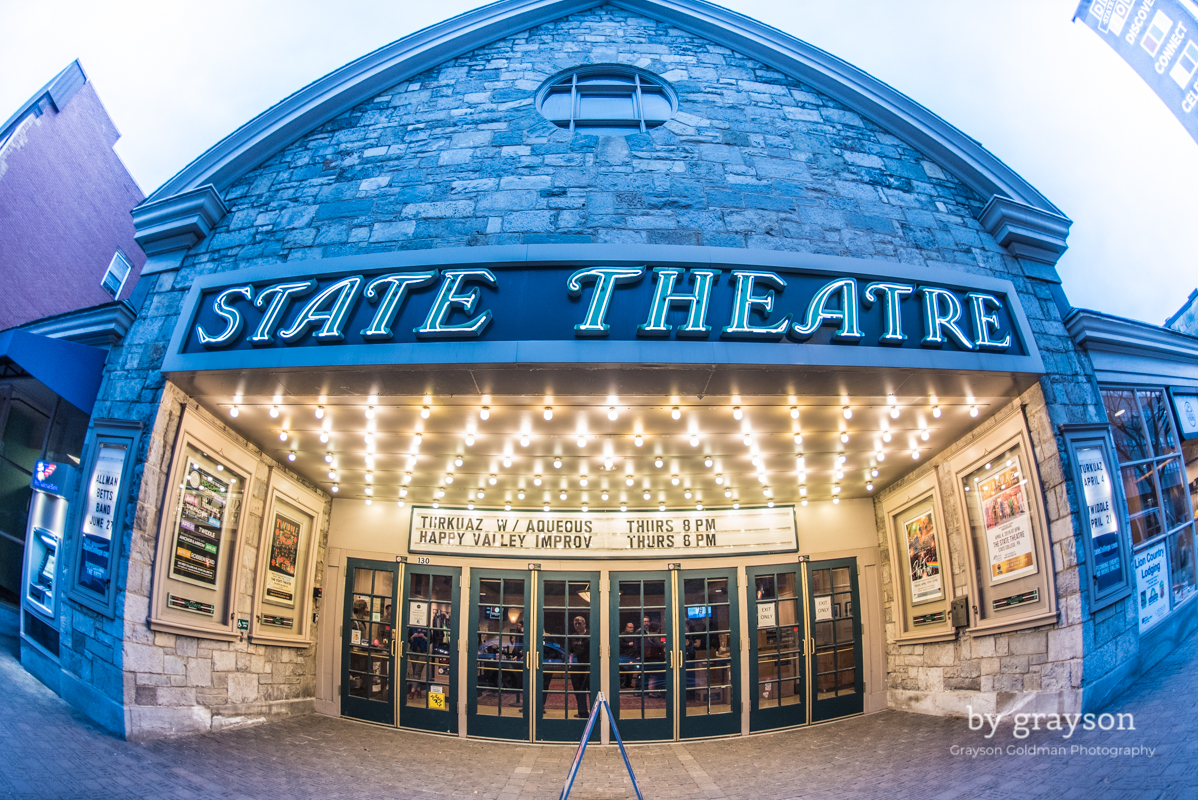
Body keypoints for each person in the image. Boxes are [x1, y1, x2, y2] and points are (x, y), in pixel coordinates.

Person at [568, 615, 590, 718]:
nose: (577, 625)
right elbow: (570, 652)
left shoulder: (591, 634)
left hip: (589, 666)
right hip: (577, 666)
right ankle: (582, 712)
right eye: (575, 624)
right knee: (579, 690)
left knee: (591, 689)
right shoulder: (573, 637)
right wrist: (570, 663)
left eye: (579, 623)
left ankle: (594, 712)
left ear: (584, 624)